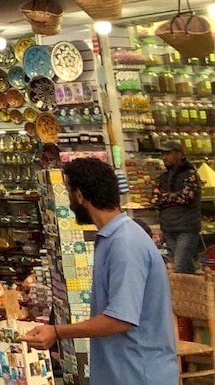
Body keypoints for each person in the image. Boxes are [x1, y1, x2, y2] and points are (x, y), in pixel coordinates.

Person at [23, 158, 178, 385]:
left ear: (80, 195)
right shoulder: (113, 237)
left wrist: (57, 331)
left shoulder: (125, 243)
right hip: (124, 372)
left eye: (68, 192)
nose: (68, 202)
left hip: (138, 374)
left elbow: (120, 319)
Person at [153, 140, 202, 273]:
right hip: (168, 227)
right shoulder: (162, 177)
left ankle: (192, 292)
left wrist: (166, 197)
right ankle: (194, 293)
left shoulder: (190, 174)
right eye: (163, 154)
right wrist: (173, 197)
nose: (164, 157)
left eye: (168, 153)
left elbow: (185, 198)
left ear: (179, 154)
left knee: (180, 267)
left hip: (186, 228)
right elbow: (155, 199)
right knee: (185, 267)